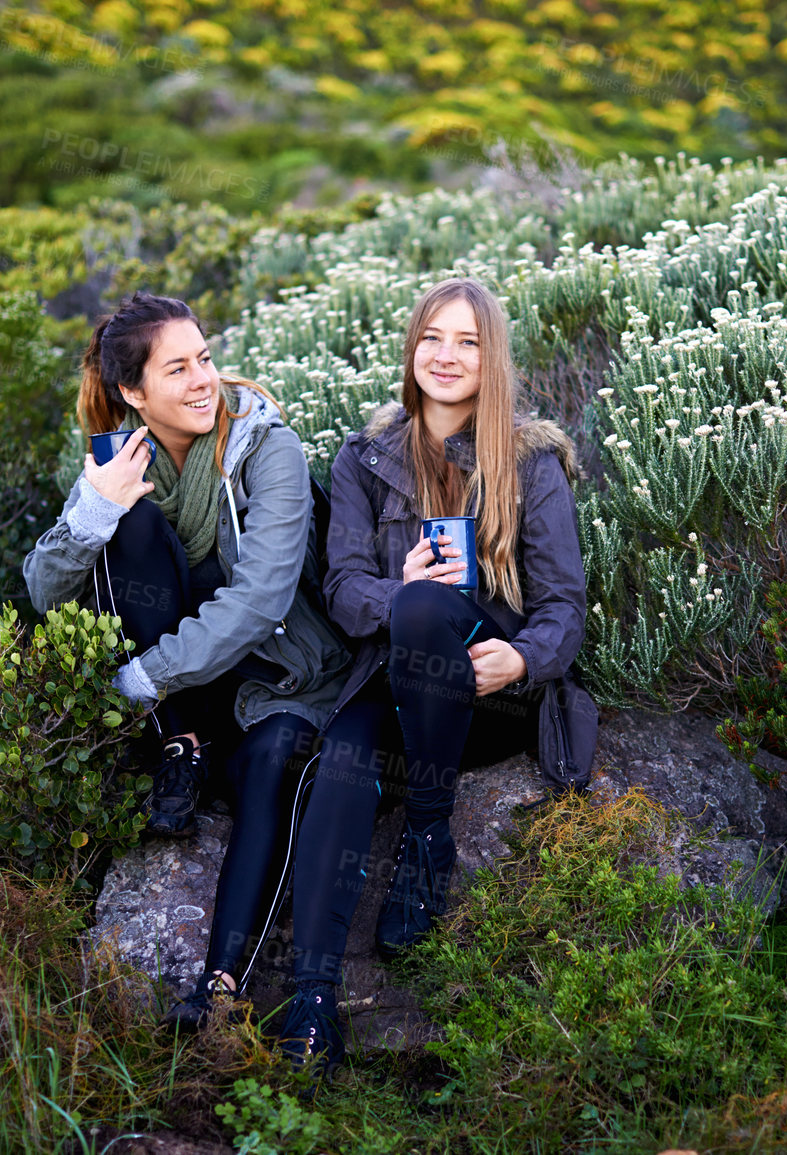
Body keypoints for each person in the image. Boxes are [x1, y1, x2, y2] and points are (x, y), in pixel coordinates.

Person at [276, 277, 598, 1068]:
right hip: (395, 682)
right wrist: (402, 591)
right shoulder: (364, 459)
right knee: (345, 759)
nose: (446, 355)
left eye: (468, 341)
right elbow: (346, 592)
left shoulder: (530, 463)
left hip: (486, 697)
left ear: (492, 360)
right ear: (410, 348)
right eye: (431, 337)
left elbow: (564, 604)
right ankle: (311, 1001)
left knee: (430, 613)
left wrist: (522, 655)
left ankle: (427, 834)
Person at [23, 290, 351, 1028]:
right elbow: (43, 592)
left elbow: (263, 598)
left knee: (275, 762)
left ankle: (219, 992)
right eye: (178, 369)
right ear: (134, 393)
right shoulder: (119, 459)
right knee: (129, 524)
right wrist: (92, 511)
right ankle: (181, 746)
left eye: (204, 358)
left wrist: (141, 678)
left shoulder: (267, 448)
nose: (204, 379)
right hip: (189, 701)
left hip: (278, 679)